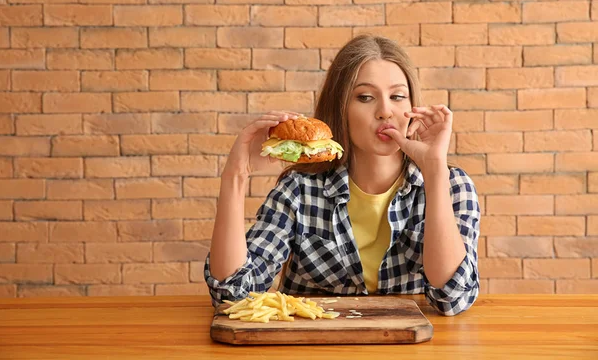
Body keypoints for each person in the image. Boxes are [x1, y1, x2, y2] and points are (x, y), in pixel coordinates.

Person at [204, 35, 480, 316]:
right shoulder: (299, 190)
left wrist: (434, 171)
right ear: (341, 108)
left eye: (397, 96)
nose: (385, 111)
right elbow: (233, 293)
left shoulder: (453, 186)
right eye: (365, 97)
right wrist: (235, 176)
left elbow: (452, 298)